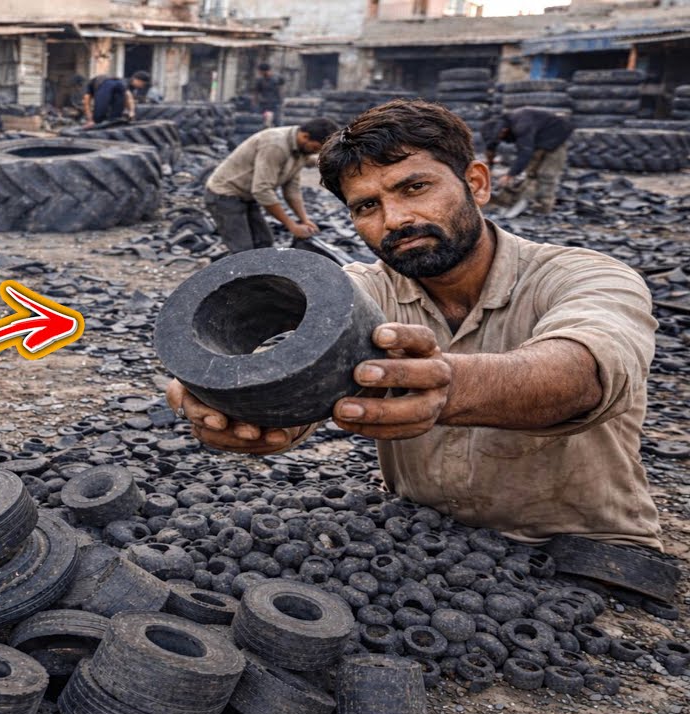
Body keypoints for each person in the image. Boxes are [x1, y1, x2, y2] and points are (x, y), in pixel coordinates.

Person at [168, 100, 660, 549]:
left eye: (415, 187)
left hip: (586, 546)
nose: (396, 219)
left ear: (477, 183)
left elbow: (586, 371)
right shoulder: (360, 292)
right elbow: (305, 381)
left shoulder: (586, 275)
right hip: (422, 538)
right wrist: (249, 409)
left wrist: (452, 387)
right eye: (367, 206)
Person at [204, 117, 340, 253]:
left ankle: (258, 273)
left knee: (264, 242)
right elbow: (262, 190)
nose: (315, 152)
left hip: (247, 196)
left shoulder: (300, 150)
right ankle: (233, 273)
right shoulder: (275, 145)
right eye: (315, 148)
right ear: (305, 136)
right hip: (224, 196)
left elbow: (292, 192)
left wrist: (304, 220)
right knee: (242, 250)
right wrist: (292, 226)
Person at [481, 108, 574, 215]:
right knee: (531, 173)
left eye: (501, 137)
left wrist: (510, 175)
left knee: (546, 174)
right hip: (537, 135)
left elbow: (525, 153)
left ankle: (543, 207)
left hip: (557, 134)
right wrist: (490, 163)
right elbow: (491, 147)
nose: (501, 139)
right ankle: (514, 200)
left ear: (505, 130)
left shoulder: (522, 126)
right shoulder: (494, 128)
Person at [82, 72, 149, 127]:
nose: (142, 87)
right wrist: (131, 111)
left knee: (99, 116)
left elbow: (86, 102)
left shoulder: (91, 84)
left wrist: (91, 120)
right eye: (142, 84)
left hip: (106, 84)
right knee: (115, 118)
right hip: (116, 83)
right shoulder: (123, 82)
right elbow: (128, 96)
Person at [253, 63, 285, 127]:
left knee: (277, 122)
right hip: (264, 104)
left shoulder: (277, 78)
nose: (259, 73)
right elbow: (256, 92)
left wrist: (282, 101)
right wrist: (255, 103)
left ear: (264, 71)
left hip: (276, 104)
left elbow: (281, 89)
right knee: (264, 123)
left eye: (260, 71)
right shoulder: (260, 80)